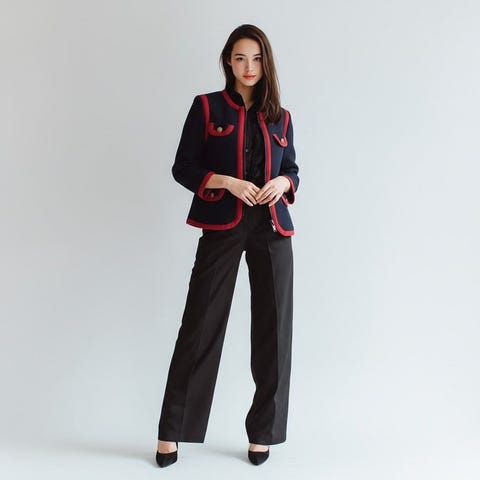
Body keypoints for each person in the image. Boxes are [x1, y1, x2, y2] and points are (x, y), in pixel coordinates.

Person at [155, 24, 299, 468]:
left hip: (272, 228)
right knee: (200, 324)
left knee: (274, 331)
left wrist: (282, 182)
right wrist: (228, 182)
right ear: (228, 62)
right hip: (223, 224)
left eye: (256, 58)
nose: (248, 67)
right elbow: (183, 167)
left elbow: (293, 169)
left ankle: (263, 433)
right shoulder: (206, 107)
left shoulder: (281, 117)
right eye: (240, 58)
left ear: (266, 63)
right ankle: (171, 431)